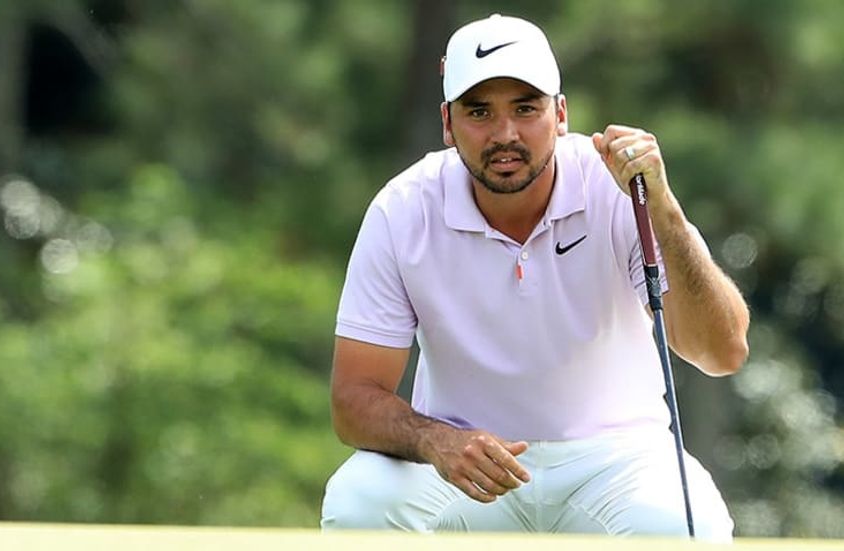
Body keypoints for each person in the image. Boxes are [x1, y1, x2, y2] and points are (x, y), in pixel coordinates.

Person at [319, 13, 750, 541]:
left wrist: (664, 211)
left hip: (618, 462)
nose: (505, 134)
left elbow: (721, 351)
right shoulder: (404, 208)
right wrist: (436, 441)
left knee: (690, 528)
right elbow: (353, 400)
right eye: (479, 112)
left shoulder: (620, 190)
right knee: (358, 502)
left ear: (560, 113)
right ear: (448, 123)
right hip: (463, 461)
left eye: (526, 108)